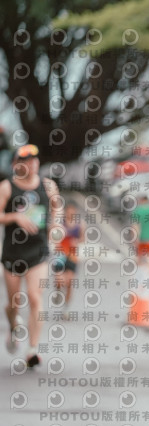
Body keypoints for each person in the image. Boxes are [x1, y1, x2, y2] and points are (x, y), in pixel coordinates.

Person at [0, 144, 62, 367]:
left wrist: (56, 224)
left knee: (35, 297)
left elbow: (57, 207)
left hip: (38, 249)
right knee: (13, 303)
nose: (32, 164)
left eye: (34, 160)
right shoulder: (7, 187)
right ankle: (13, 325)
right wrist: (15, 217)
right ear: (16, 165)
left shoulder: (48, 185)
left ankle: (32, 350)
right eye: (25, 161)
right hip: (13, 252)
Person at [52, 202, 84, 319]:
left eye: (72, 211)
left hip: (72, 256)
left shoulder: (80, 224)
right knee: (59, 280)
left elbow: (82, 238)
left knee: (70, 283)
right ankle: (58, 291)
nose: (70, 213)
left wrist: (77, 241)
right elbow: (52, 235)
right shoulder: (60, 223)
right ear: (65, 211)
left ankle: (66, 309)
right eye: (68, 210)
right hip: (60, 254)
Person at [130, 194, 149, 273]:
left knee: (138, 258)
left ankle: (139, 277)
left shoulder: (138, 211)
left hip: (141, 238)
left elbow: (135, 226)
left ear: (141, 200)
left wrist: (135, 238)